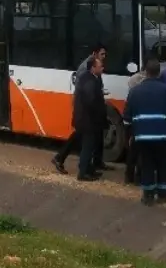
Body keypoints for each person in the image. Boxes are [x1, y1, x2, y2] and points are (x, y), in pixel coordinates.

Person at [123, 59, 166, 205]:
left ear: (145, 72)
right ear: (159, 73)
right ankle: (163, 194)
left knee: (147, 164)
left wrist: (130, 133)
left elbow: (127, 117)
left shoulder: (135, 91)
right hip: (163, 136)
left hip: (142, 136)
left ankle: (148, 195)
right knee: (163, 165)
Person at [52, 45, 110, 174]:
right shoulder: (86, 68)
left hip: (87, 109)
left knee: (95, 133)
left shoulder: (96, 66)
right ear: (95, 54)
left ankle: (96, 161)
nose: (104, 57)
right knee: (81, 135)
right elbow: (84, 90)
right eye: (102, 54)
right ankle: (61, 158)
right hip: (84, 110)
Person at [67, 56, 107, 181]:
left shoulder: (89, 78)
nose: (103, 68)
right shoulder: (90, 81)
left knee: (89, 145)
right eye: (100, 66)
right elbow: (91, 102)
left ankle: (89, 170)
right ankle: (83, 173)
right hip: (87, 120)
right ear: (93, 68)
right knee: (88, 147)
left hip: (86, 119)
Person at [123, 66, 148, 184]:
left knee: (134, 151)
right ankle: (138, 176)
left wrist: (127, 125)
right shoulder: (141, 85)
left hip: (135, 123)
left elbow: (128, 110)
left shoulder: (133, 91)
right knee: (140, 152)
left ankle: (129, 176)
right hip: (142, 124)